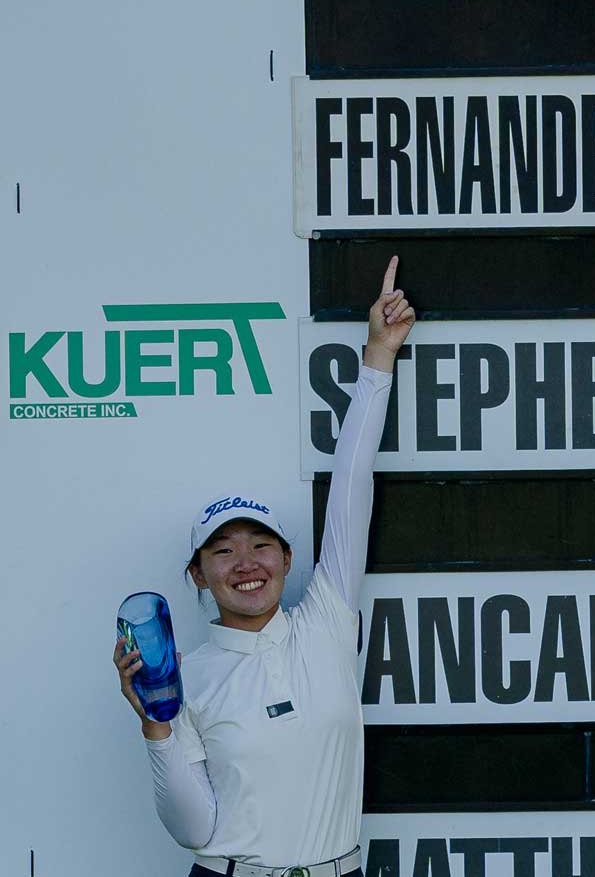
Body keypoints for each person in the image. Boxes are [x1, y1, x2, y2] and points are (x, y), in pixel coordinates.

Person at [112, 257, 414, 877]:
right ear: (198, 575)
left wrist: (378, 356)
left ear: (288, 559)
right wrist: (157, 725)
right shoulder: (184, 677)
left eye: (261, 545)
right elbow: (194, 829)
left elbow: (353, 483)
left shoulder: (326, 619)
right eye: (223, 550)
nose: (245, 563)